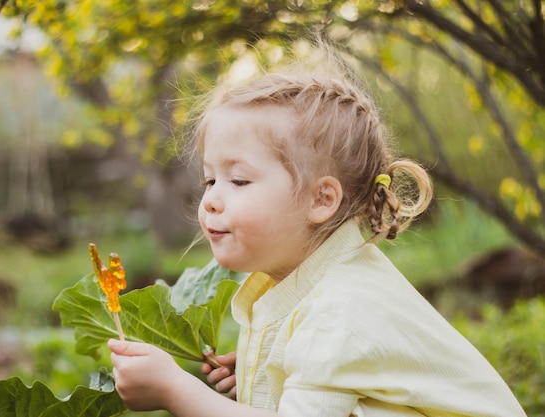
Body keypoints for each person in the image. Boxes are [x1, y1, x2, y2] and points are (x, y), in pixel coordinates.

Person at [107, 42, 528, 417]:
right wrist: (268, 379)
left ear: (321, 200)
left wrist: (177, 390)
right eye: (209, 180)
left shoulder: (338, 309)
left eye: (238, 181)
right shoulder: (303, 285)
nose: (212, 199)